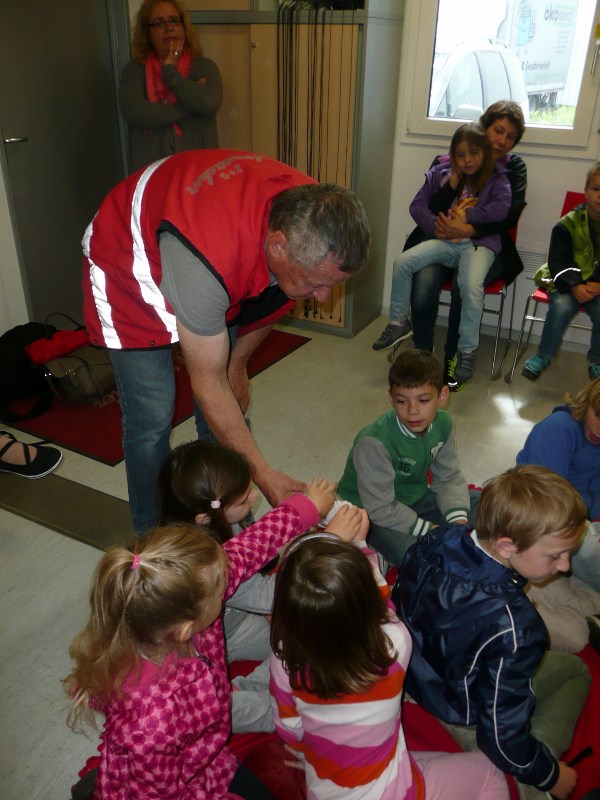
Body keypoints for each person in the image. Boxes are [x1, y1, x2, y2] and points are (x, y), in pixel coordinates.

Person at [82, 148, 371, 533]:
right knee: (152, 417)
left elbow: (271, 303)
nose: (323, 298)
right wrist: (265, 476)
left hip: (206, 251)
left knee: (228, 392)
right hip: (128, 262)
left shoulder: (312, 219)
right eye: (315, 283)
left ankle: (227, 510)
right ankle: (153, 537)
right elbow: (207, 382)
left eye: (332, 285)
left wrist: (237, 364)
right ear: (278, 244)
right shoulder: (212, 261)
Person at [65, 479, 366, 799]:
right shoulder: (151, 721)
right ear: (186, 627)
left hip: (207, 751)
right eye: (221, 590)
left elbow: (249, 548)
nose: (230, 580)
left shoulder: (188, 599)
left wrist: (308, 507)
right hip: (182, 781)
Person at [393, 465, 592, 799]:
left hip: (409, 674)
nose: (565, 566)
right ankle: (534, 781)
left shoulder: (437, 538)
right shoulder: (519, 628)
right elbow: (499, 735)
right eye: (555, 555)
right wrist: (549, 774)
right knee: (577, 671)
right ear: (505, 546)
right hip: (459, 711)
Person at [269, 531, 510, 800]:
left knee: (423, 760)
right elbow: (383, 600)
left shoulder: (283, 654)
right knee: (491, 772)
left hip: (325, 790)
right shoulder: (394, 643)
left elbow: (290, 730)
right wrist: (360, 544)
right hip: (390, 793)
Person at [373, 122, 511, 383]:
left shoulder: (497, 178)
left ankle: (467, 350)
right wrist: (439, 228)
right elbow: (418, 206)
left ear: (484, 152)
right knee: (403, 262)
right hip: (446, 241)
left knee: (470, 286)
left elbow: (500, 210)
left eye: (474, 153)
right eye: (460, 154)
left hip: (477, 244)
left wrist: (465, 218)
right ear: (453, 154)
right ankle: (399, 322)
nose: (467, 160)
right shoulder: (442, 172)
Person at [157, 439, 275, 733]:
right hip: (221, 639)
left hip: (230, 624)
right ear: (205, 517)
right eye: (244, 498)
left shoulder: (207, 525)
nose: (253, 498)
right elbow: (269, 595)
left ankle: (249, 692)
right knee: (315, 637)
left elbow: (259, 567)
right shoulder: (210, 566)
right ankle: (257, 703)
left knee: (306, 637)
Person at [337, 348, 479, 566]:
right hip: (371, 514)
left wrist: (457, 522)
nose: (412, 411)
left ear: (442, 396)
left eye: (423, 400)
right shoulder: (373, 442)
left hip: (416, 499)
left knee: (486, 503)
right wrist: (430, 531)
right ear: (391, 398)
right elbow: (380, 507)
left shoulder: (444, 423)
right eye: (402, 401)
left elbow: (448, 477)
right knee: (416, 556)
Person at [119, 0, 223, 173]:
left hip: (199, 174)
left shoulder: (204, 67)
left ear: (183, 27)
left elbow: (209, 102)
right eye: (159, 23)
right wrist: (190, 108)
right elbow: (136, 113)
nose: (168, 27)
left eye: (174, 20)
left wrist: (169, 72)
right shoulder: (134, 71)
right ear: (147, 33)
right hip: (152, 174)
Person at [517, 378, 600, 594]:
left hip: (585, 520)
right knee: (589, 549)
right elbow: (549, 503)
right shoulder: (557, 429)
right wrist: (585, 530)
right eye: (597, 415)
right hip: (543, 516)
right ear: (587, 402)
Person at [521, 161, 600, 381]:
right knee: (561, 306)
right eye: (596, 189)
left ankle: (597, 360)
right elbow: (558, 261)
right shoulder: (566, 225)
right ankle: (543, 356)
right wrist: (575, 284)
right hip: (566, 283)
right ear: (586, 191)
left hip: (597, 287)